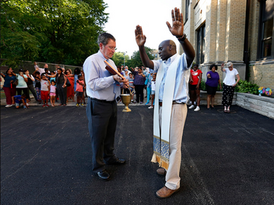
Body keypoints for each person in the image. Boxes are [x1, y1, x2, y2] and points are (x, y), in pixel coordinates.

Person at [135, 7, 195, 198]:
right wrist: (141, 47)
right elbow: (147, 64)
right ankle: (165, 165)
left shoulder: (181, 61)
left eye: (161, 49)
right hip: (161, 107)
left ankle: (172, 182)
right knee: (162, 139)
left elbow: (191, 55)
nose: (158, 52)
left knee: (174, 145)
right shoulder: (163, 63)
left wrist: (182, 37)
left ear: (171, 48)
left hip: (176, 107)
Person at [83, 32, 129, 180]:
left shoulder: (110, 62)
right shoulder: (92, 61)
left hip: (111, 103)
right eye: (111, 47)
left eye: (115, 48)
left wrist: (121, 81)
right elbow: (92, 84)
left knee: (110, 134)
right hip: (98, 104)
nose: (113, 51)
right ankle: (98, 166)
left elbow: (112, 80)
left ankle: (109, 157)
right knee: (98, 137)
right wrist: (112, 79)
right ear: (101, 45)